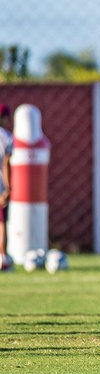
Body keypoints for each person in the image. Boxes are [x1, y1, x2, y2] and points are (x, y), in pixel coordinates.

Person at [0, 104, 12, 271]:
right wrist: (8, 188)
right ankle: (2, 257)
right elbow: (6, 162)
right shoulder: (6, 136)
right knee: (1, 222)